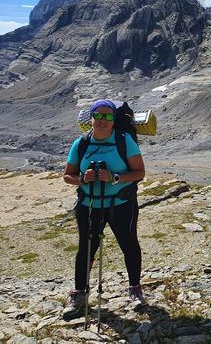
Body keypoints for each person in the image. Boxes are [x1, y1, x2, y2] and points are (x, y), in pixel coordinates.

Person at [62, 99, 146, 320]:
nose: (102, 120)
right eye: (98, 115)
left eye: (108, 116)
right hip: (89, 205)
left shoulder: (124, 140)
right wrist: (82, 179)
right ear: (90, 118)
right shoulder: (80, 143)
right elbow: (67, 175)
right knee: (86, 249)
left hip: (121, 204)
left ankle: (135, 289)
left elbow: (139, 172)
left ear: (113, 120)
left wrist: (114, 177)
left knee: (128, 244)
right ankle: (79, 294)